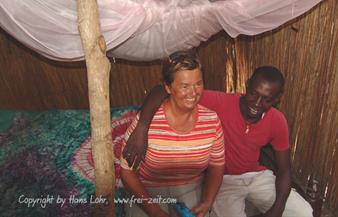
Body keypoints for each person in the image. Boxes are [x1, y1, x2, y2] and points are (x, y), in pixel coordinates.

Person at [123, 65, 314, 217]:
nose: (256, 104)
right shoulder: (220, 102)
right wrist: (142, 127)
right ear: (247, 85)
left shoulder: (277, 120)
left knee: (304, 213)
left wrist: (277, 210)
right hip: (225, 180)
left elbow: (285, 170)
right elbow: (162, 90)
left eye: (266, 100)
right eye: (254, 94)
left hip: (258, 177)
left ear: (277, 99)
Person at [120, 50, 225, 217]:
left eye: (198, 83)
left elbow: (216, 165)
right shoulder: (147, 123)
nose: (193, 92)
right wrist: (154, 211)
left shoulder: (211, 120)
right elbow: (127, 173)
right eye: (184, 86)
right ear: (168, 87)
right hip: (147, 191)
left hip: (190, 188)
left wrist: (207, 202)